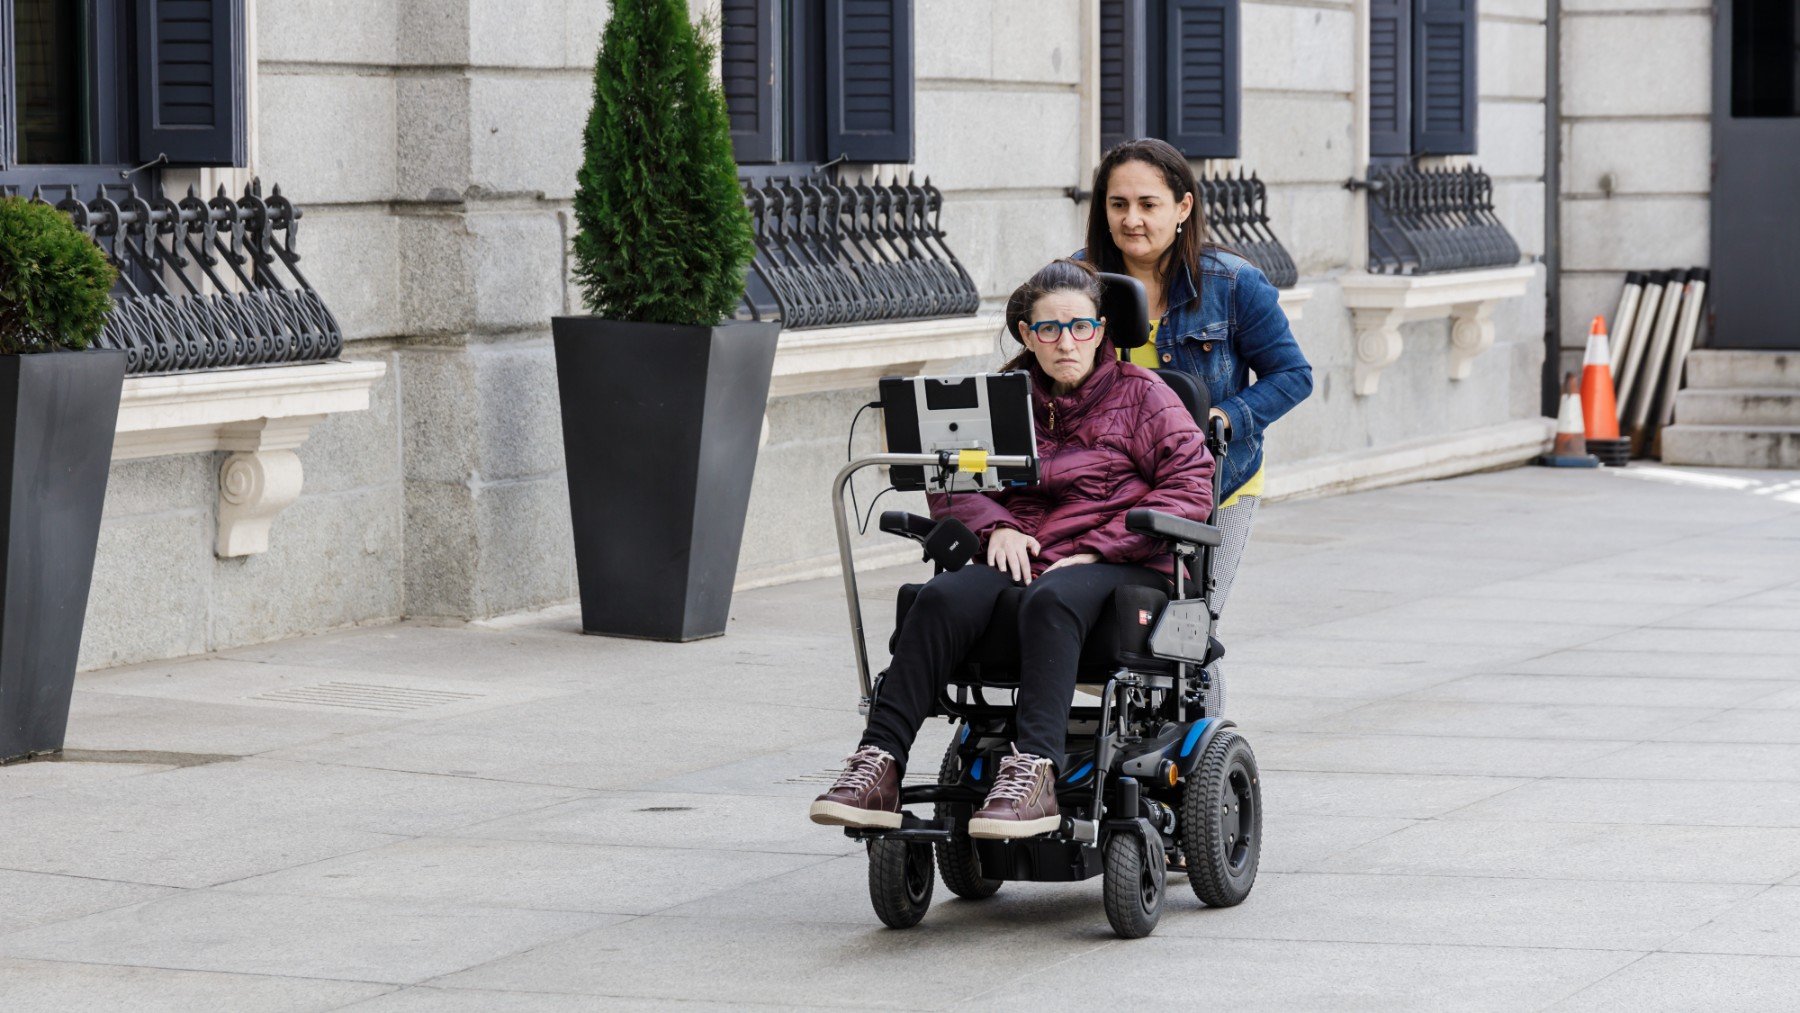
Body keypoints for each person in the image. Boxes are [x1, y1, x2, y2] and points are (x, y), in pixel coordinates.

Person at [809, 259, 1215, 840]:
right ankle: (878, 764)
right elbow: (951, 479)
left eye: (1080, 327)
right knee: (942, 596)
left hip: (1121, 563)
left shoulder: (1146, 396)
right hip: (1020, 554)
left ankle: (1034, 774)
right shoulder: (1002, 399)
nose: (1065, 342)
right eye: (1049, 329)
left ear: (1101, 329)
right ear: (1027, 334)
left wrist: (1101, 548)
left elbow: (1190, 486)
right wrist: (994, 527)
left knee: (1052, 598)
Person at [1078, 138, 1313, 715]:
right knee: (1112, 620)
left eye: (1148, 204)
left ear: (1183, 208)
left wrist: (1226, 416)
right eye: (1118, 204)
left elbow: (1293, 374)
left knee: (1188, 626)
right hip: (1109, 484)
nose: (1131, 220)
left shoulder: (1233, 284)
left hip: (1215, 483)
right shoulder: (1078, 284)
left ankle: (1200, 760)